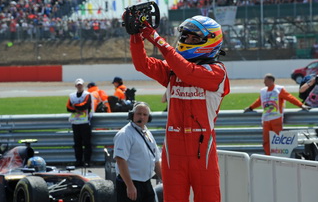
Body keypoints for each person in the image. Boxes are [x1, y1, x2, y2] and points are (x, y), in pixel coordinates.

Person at [128, 15, 230, 202]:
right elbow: (141, 64)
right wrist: (136, 36)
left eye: (194, 38)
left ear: (211, 41)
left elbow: (188, 72)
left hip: (202, 149)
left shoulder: (217, 72)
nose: (186, 41)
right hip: (173, 149)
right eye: (185, 37)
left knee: (208, 198)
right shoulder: (173, 69)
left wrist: (156, 38)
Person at [244, 73, 309, 155]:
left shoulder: (279, 89)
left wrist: (301, 105)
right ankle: (268, 157)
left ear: (271, 81)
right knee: (266, 141)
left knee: (277, 140)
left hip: (276, 119)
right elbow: (259, 102)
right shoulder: (263, 91)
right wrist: (250, 108)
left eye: (265, 81)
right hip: (266, 120)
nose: (264, 82)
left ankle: (278, 156)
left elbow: (290, 98)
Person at [113, 102, 162, 202]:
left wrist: (164, 180)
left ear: (149, 118)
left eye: (145, 115)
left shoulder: (147, 133)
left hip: (146, 183)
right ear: (132, 115)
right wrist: (130, 186)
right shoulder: (124, 134)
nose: (142, 117)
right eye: (139, 114)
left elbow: (156, 159)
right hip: (130, 184)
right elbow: (121, 160)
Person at [66, 78, 94, 167]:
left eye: (80, 85)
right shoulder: (72, 96)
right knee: (77, 143)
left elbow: (85, 105)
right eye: (78, 85)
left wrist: (75, 107)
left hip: (85, 122)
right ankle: (78, 160)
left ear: (83, 85)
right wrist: (78, 107)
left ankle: (87, 161)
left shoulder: (87, 94)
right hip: (75, 122)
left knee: (87, 143)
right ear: (75, 86)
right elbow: (68, 107)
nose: (79, 86)